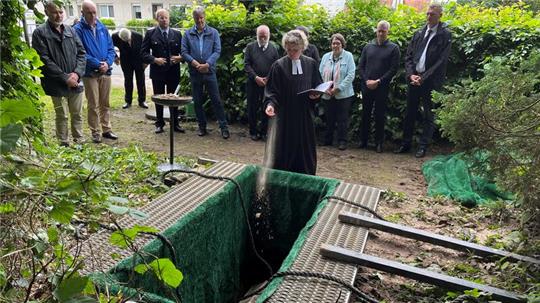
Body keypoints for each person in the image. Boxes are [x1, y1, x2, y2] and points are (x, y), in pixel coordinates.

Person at [395, 3, 451, 158]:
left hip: (431, 82)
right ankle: (405, 144)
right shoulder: (419, 32)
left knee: (428, 114)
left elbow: (441, 61)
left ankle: (423, 146)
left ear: (440, 16)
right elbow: (408, 56)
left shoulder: (445, 35)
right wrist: (410, 75)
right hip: (414, 79)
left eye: (432, 14)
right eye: (427, 13)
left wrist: (424, 77)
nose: (428, 16)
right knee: (410, 112)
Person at [264, 30, 323, 175]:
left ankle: (306, 179)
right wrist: (270, 104)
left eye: (295, 50)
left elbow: (318, 85)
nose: (291, 53)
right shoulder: (278, 66)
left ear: (302, 48)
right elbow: (272, 90)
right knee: (283, 151)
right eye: (288, 49)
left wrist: (316, 95)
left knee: (304, 153)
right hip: (285, 117)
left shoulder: (311, 64)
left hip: (304, 117)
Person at [32, 1, 86, 147]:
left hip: (75, 81)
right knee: (62, 115)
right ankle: (63, 143)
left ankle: (79, 141)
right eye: (54, 12)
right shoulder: (40, 33)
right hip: (56, 83)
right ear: (46, 13)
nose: (58, 15)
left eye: (61, 12)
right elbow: (43, 59)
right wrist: (65, 77)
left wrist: (76, 74)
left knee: (77, 114)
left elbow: (82, 53)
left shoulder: (70, 30)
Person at [181, 6, 230, 139]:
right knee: (197, 101)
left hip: (209, 71)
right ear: (194, 18)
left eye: (201, 18)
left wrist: (207, 64)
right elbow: (184, 52)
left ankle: (223, 127)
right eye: (197, 19)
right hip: (195, 72)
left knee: (216, 100)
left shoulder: (213, 33)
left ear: (205, 17)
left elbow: (217, 51)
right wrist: (196, 64)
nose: (200, 21)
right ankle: (202, 127)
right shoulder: (187, 34)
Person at [74, 0, 117, 143]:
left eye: (94, 12)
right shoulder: (78, 30)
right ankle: (95, 131)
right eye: (89, 13)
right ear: (82, 13)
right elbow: (80, 52)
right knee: (93, 104)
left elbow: (111, 48)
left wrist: (108, 63)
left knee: (105, 103)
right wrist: (97, 63)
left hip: (105, 71)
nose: (93, 16)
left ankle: (107, 129)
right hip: (90, 73)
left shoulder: (102, 27)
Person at [358, 20, 400, 153]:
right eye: (379, 30)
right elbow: (361, 66)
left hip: (382, 87)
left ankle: (378, 143)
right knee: (365, 113)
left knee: (379, 115)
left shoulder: (393, 48)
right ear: (376, 31)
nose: (381, 33)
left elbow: (393, 69)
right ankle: (363, 141)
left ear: (388, 32)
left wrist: (379, 81)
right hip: (367, 85)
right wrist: (367, 81)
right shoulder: (368, 47)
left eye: (383, 31)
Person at [141, 9, 184, 134]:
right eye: (161, 18)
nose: (164, 20)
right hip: (158, 72)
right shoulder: (150, 34)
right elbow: (143, 53)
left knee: (174, 98)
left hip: (173, 71)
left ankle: (175, 123)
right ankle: (159, 123)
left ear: (169, 19)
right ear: (157, 19)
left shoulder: (177, 34)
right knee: (159, 98)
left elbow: (184, 52)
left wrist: (180, 58)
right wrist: (154, 59)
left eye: (166, 17)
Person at [319, 33, 356, 151]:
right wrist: (326, 89)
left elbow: (351, 75)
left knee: (342, 118)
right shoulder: (325, 57)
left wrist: (338, 88)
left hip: (343, 94)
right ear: (331, 45)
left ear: (342, 44)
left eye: (338, 43)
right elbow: (320, 73)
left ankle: (342, 141)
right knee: (329, 118)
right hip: (327, 93)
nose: (335, 45)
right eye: (333, 43)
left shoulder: (348, 56)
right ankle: (328, 140)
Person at [243, 25, 279, 141]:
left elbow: (276, 66)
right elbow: (246, 65)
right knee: (252, 108)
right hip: (253, 83)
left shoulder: (273, 48)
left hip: (268, 84)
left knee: (266, 107)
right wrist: (256, 77)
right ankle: (253, 131)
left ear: (269, 36)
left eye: (265, 36)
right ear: (257, 35)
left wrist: (268, 78)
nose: (263, 39)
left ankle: (264, 132)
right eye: (260, 36)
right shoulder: (250, 47)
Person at [112, 28, 148, 109]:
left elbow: (146, 49)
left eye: (129, 40)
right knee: (128, 80)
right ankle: (128, 101)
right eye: (125, 41)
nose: (128, 42)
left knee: (141, 80)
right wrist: (115, 57)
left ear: (131, 35)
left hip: (139, 60)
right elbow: (109, 46)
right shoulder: (115, 36)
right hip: (125, 61)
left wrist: (146, 62)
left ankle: (142, 101)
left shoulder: (139, 36)